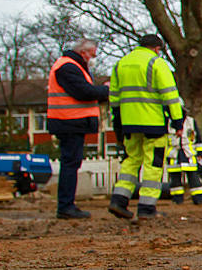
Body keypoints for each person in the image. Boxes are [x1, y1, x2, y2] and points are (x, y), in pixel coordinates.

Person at [108, 34, 184, 220]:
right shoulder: (157, 63)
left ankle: (118, 200)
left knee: (131, 160)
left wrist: (117, 123)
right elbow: (171, 96)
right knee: (153, 164)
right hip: (153, 124)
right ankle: (146, 208)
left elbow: (114, 98)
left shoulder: (120, 64)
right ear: (157, 49)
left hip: (128, 123)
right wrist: (178, 122)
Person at [46, 38, 109, 220]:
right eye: (92, 55)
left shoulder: (72, 66)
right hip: (69, 121)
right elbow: (84, 92)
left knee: (71, 163)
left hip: (71, 121)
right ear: (83, 52)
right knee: (70, 164)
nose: (93, 59)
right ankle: (66, 206)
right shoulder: (68, 67)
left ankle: (67, 205)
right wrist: (106, 90)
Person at [166, 116, 202, 205]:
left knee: (193, 177)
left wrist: (200, 152)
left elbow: (197, 138)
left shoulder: (190, 121)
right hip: (174, 154)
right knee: (175, 179)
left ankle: (198, 198)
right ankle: (177, 199)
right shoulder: (168, 122)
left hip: (188, 154)